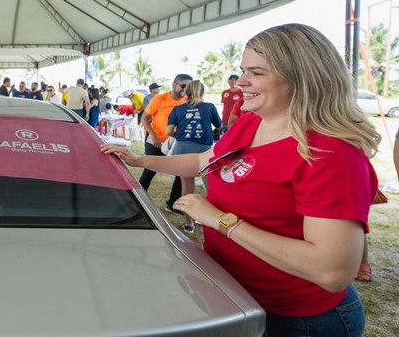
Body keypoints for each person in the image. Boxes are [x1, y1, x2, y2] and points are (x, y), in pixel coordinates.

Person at [102, 24, 379, 336]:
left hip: (299, 319)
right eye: (243, 70)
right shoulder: (250, 123)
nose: (242, 82)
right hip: (235, 295)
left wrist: (223, 221)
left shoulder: (330, 153)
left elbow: (331, 271)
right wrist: (140, 160)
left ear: (302, 77)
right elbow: (201, 161)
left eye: (257, 73)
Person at [166, 80, 221, 233]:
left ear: (186, 93)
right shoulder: (209, 107)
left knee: (187, 187)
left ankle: (189, 223)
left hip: (183, 149)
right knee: (211, 188)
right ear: (202, 92)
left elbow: (169, 131)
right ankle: (211, 220)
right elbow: (219, 126)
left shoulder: (177, 109)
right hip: (203, 151)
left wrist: (182, 135)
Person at [139, 74, 193, 213]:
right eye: (183, 86)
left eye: (188, 87)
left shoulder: (186, 102)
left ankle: (173, 204)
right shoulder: (159, 99)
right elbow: (144, 119)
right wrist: (155, 137)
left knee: (179, 173)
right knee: (149, 171)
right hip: (155, 142)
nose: (185, 89)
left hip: (175, 143)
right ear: (174, 84)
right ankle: (138, 200)